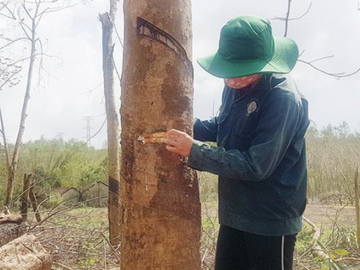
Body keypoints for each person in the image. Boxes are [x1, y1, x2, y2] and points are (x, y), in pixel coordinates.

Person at [163, 15, 309, 270]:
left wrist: (195, 151)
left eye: (241, 74)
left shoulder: (283, 99)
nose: (232, 81)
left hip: (270, 219)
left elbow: (256, 166)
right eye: (228, 74)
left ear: (264, 65)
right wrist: (187, 126)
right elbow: (224, 127)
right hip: (236, 212)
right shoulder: (235, 82)